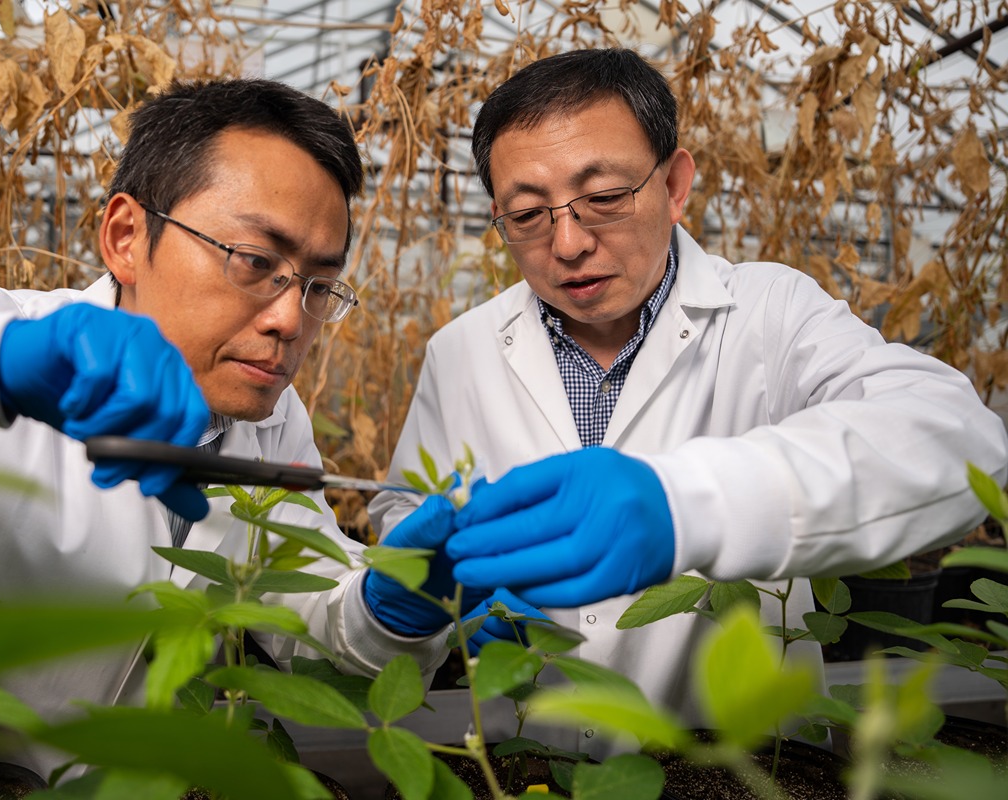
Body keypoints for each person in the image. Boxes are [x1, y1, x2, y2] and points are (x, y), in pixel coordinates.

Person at [0, 77, 458, 777]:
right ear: (125, 236)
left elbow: (313, 612)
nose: (291, 320)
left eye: (318, 285)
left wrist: (399, 604)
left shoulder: (271, 417)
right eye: (255, 262)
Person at [368, 48, 1008, 755]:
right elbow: (404, 505)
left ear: (674, 184)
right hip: (528, 756)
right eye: (527, 214)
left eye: (604, 198)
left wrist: (685, 506)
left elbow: (955, 435)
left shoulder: (770, 312)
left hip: (747, 762)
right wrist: (453, 589)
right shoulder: (462, 350)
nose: (570, 243)